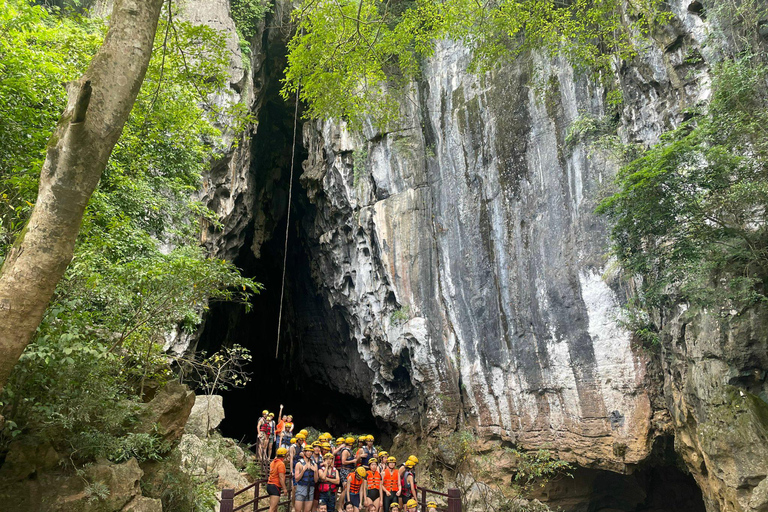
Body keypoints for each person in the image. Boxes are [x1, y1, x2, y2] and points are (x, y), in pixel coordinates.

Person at [294, 445, 318, 512]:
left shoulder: (314, 464)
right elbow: (296, 479)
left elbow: (316, 480)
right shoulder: (299, 464)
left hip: (311, 488)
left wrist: (315, 471)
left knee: (307, 510)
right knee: (298, 510)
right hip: (301, 487)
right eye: (307, 451)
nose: (309, 453)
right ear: (304, 452)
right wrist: (303, 470)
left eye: (310, 451)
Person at [268, 447, 288, 512]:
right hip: (275, 486)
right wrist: (284, 489)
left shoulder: (273, 462)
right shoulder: (281, 464)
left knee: (275, 507)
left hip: (270, 485)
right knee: (272, 508)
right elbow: (281, 477)